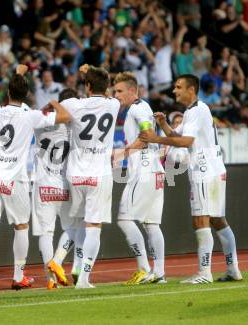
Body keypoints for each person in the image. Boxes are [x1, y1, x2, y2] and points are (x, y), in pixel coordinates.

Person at [0, 64, 70, 292]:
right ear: (27, 95)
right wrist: (53, 102)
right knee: (21, 226)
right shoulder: (31, 116)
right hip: (15, 179)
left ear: (7, 93)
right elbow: (65, 116)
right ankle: (18, 276)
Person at [140, 74, 242, 284]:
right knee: (217, 220)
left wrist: (156, 138)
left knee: (200, 219)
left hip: (204, 171)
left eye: (179, 87)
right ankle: (233, 269)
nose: (174, 91)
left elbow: (186, 142)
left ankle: (204, 273)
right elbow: (177, 135)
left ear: (191, 90)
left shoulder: (197, 111)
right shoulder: (194, 111)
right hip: (214, 169)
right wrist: (163, 123)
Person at [57, 64, 120, 288]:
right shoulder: (114, 104)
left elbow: (58, 113)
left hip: (75, 175)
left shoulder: (71, 104)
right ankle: (83, 277)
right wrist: (93, 71)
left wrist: (85, 75)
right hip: (99, 175)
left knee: (80, 225)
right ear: (106, 88)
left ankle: (66, 263)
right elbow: (109, 92)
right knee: (94, 227)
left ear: (87, 85)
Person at [112, 72, 166, 284]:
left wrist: (121, 153)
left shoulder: (136, 108)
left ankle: (144, 268)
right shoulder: (143, 107)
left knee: (124, 219)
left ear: (132, 91)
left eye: (119, 91)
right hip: (155, 173)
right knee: (151, 225)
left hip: (143, 173)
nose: (116, 95)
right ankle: (159, 273)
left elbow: (146, 135)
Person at [31, 88, 83, 289]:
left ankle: (51, 280)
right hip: (66, 184)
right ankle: (59, 263)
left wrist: (48, 107)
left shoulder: (40, 124)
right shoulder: (74, 127)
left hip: (43, 185)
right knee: (74, 228)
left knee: (46, 233)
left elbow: (41, 115)